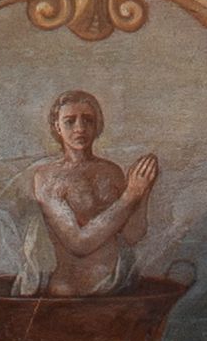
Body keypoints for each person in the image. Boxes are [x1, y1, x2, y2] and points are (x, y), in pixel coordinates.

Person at [26, 88, 160, 294]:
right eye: (70, 121)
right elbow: (78, 244)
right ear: (57, 127)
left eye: (88, 120)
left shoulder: (112, 171)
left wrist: (143, 193)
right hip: (70, 292)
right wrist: (130, 196)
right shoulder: (47, 177)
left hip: (117, 287)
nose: (80, 128)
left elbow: (132, 235)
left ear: (97, 125)